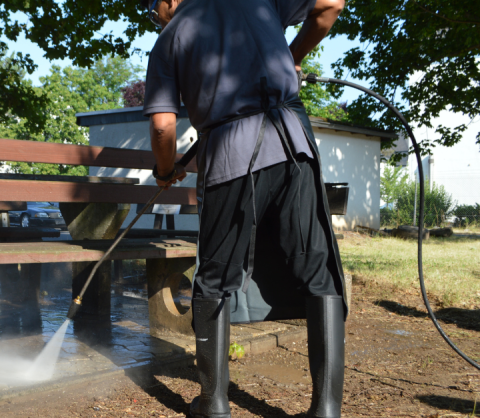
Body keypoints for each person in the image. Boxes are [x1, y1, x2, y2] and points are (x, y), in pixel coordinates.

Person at [140, 0, 347, 417]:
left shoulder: (170, 37)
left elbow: (163, 125)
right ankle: (326, 408)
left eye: (152, 9)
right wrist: (290, 56)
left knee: (215, 275)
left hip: (231, 158)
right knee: (317, 268)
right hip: (295, 147)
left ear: (167, 1)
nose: (156, 17)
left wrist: (164, 170)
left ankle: (214, 403)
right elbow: (330, 3)